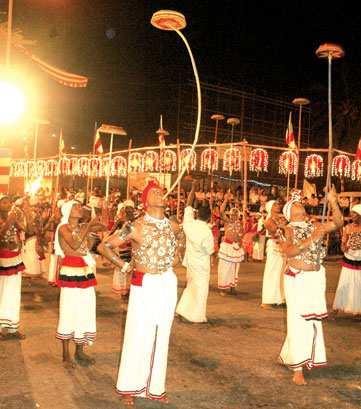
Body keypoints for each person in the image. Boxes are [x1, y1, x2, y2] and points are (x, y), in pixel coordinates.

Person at [98, 180, 180, 405]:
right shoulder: (135, 226)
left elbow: (179, 243)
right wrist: (124, 266)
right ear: (145, 200)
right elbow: (104, 246)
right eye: (154, 192)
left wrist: (176, 257)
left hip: (167, 282)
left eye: (161, 190)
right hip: (145, 284)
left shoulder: (173, 225)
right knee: (138, 333)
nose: (160, 193)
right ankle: (129, 387)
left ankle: (156, 388)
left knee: (162, 334)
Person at [278, 186, 343, 385]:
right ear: (289, 211)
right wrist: (312, 238)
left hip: (315, 279)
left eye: (300, 202)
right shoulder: (287, 228)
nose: (299, 203)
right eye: (295, 203)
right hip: (297, 279)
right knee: (298, 321)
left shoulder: (315, 225)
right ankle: (297, 368)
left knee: (312, 321)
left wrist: (332, 200)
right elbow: (289, 252)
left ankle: (290, 355)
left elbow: (339, 222)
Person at [54, 200, 105, 368]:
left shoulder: (82, 227)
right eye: (76, 207)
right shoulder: (63, 228)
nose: (80, 209)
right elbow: (74, 244)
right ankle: (65, 354)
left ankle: (80, 350)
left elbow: (97, 234)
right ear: (68, 211)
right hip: (70, 271)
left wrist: (98, 219)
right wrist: (89, 225)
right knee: (69, 309)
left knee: (85, 309)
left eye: (80, 206)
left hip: (84, 272)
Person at [176, 181, 214, 323]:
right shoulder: (207, 232)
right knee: (201, 290)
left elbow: (188, 205)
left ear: (197, 214)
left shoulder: (189, 224)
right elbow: (209, 251)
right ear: (209, 217)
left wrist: (192, 188)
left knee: (191, 285)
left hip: (191, 261)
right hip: (201, 264)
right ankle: (195, 316)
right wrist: (212, 259)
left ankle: (183, 310)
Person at [0, 195, 26, 340]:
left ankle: (12, 328)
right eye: (4, 202)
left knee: (13, 294)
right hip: (2, 260)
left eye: (9, 202)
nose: (8, 204)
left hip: (14, 258)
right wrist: (8, 222)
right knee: (2, 293)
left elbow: (24, 230)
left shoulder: (13, 217)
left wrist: (17, 220)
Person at [333, 204, 361, 316]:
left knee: (359, 283)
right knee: (345, 281)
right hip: (349, 257)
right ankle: (340, 306)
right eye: (352, 213)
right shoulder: (348, 227)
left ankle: (358, 309)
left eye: (355, 213)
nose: (352, 215)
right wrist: (343, 246)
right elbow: (344, 243)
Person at [261, 200, 286, 308]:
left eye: (278, 204)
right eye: (275, 204)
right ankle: (267, 300)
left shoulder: (278, 219)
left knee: (280, 272)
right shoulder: (269, 220)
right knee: (271, 272)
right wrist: (283, 227)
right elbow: (275, 232)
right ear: (270, 207)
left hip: (281, 246)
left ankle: (279, 299)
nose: (278, 205)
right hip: (274, 246)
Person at [217, 201, 244, 295]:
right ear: (230, 215)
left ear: (238, 215)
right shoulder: (227, 221)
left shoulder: (240, 225)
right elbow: (221, 211)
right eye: (232, 214)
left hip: (235, 247)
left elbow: (241, 236)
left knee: (235, 269)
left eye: (236, 214)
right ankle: (223, 288)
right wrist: (225, 200)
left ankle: (233, 287)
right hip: (226, 247)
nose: (234, 216)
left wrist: (240, 242)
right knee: (224, 268)